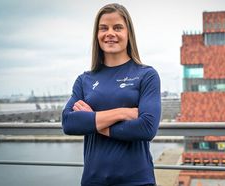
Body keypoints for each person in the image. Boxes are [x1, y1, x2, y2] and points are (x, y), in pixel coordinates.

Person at [62, 3, 161, 186]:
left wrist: (92, 121)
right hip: (93, 181)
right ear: (97, 35)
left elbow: (147, 127)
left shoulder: (147, 75)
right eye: (103, 28)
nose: (110, 33)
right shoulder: (85, 80)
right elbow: (68, 123)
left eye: (117, 27)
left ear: (128, 33)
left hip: (137, 181)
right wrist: (123, 113)